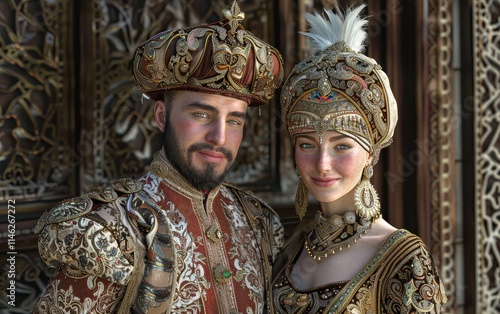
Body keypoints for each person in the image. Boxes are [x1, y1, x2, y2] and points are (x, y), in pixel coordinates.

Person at [33, 1, 285, 313]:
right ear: (162, 115)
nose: (219, 137)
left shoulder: (260, 223)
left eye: (234, 120)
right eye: (201, 114)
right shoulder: (109, 228)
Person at [272, 5, 447, 313]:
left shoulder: (403, 259)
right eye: (307, 144)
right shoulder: (291, 248)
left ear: (371, 153)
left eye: (341, 146)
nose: (322, 163)